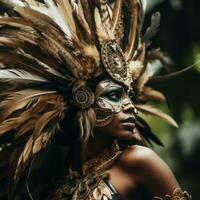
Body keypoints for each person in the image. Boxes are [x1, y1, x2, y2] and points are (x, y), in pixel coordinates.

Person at [0, 0, 191, 199]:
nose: (130, 107)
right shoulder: (58, 180)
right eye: (114, 95)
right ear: (81, 99)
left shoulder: (138, 160)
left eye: (130, 96)